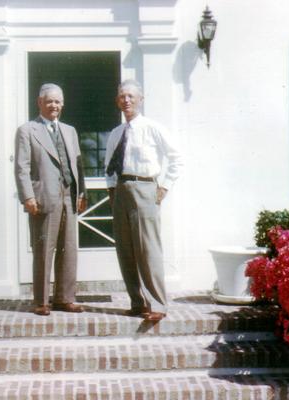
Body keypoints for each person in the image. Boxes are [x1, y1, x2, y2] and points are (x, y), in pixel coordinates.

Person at [105, 79, 183, 322]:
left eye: (130, 96)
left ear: (141, 99)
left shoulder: (152, 128)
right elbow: (109, 165)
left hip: (145, 187)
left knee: (148, 248)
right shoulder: (116, 133)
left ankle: (158, 304)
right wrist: (111, 191)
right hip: (122, 190)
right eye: (122, 96)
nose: (126, 100)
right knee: (125, 249)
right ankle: (137, 302)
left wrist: (165, 186)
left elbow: (176, 158)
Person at [14, 83, 87, 316]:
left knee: (69, 249)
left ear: (62, 104)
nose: (53, 105)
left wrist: (82, 193)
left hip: (69, 196)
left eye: (57, 101)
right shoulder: (27, 130)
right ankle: (41, 301)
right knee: (44, 249)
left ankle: (65, 298)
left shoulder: (70, 130)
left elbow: (78, 164)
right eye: (49, 101)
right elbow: (21, 167)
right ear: (39, 103)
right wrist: (27, 196)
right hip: (43, 197)